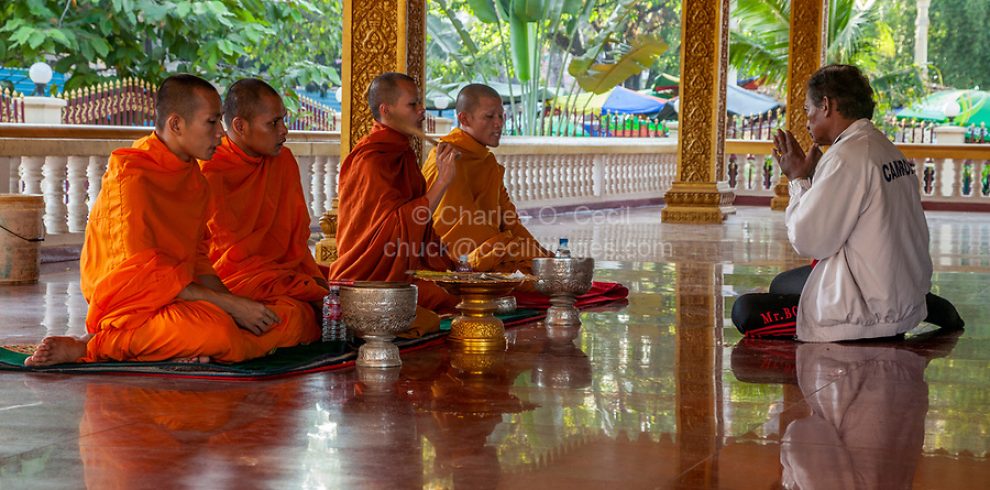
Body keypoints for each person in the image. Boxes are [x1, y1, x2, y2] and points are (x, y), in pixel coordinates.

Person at [25, 74, 316, 367]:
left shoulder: (194, 179)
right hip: (133, 308)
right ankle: (92, 345)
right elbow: (141, 276)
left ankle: (198, 347)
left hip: (179, 299)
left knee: (295, 320)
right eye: (212, 123)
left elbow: (199, 259)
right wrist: (230, 306)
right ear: (177, 124)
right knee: (218, 332)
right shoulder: (133, 178)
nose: (220, 135)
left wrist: (237, 307)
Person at [732, 64, 963, 341]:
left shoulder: (846, 156)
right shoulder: (882, 146)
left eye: (808, 110)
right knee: (782, 284)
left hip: (867, 309)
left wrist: (797, 179)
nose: (806, 121)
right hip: (897, 283)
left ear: (826, 105)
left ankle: (885, 317)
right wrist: (814, 177)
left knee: (744, 311)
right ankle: (921, 304)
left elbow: (810, 240)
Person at [327, 72, 459, 334]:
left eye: (420, 103)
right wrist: (442, 182)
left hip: (405, 268)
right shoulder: (371, 159)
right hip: (372, 277)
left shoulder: (402, 152)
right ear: (386, 110)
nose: (422, 111)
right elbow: (394, 227)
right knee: (447, 304)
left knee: (460, 286)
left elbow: (418, 230)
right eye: (413, 105)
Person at [199, 78, 328, 340]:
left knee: (300, 313)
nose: (284, 131)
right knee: (291, 318)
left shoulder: (283, 163)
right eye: (273, 124)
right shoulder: (210, 171)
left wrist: (314, 287)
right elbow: (222, 257)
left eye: (283, 121)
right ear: (239, 126)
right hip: (232, 286)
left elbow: (296, 244)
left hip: (278, 282)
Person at [422, 83, 551, 273]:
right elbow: (458, 229)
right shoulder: (444, 158)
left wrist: (542, 255)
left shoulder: (487, 161)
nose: (498, 123)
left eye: (501, 116)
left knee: (547, 271)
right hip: (454, 262)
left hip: (490, 254)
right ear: (464, 118)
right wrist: (505, 246)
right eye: (489, 117)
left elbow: (510, 220)